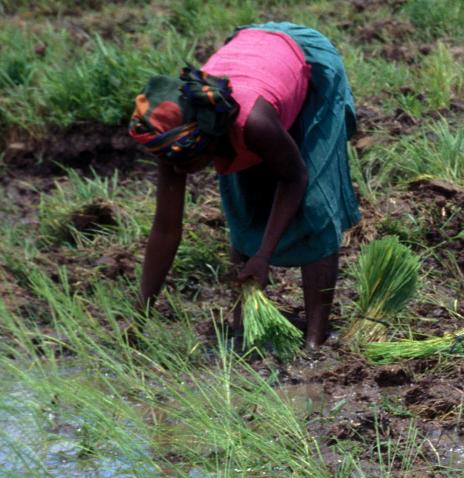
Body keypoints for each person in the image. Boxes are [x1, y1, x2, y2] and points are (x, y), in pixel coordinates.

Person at [129, 22, 360, 348]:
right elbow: (166, 230)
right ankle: (243, 325)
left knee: (314, 204)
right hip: (252, 57)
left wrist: (263, 255)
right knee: (242, 204)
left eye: (185, 161)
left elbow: (295, 178)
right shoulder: (175, 135)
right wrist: (139, 317)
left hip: (304, 61)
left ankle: (315, 338)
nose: (179, 170)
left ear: (207, 140)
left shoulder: (253, 123)